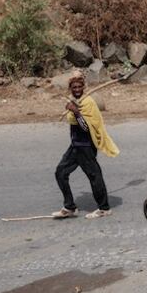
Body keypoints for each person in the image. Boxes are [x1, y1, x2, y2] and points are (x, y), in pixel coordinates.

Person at [53, 70, 119, 219]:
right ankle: (69, 207)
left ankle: (104, 208)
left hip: (86, 147)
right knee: (60, 173)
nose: (77, 90)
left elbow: (86, 127)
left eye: (79, 87)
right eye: (74, 87)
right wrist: (72, 108)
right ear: (70, 88)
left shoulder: (88, 102)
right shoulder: (74, 101)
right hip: (75, 145)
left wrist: (76, 112)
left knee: (94, 176)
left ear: (83, 87)